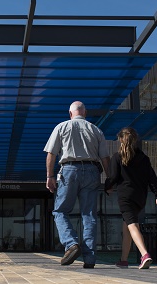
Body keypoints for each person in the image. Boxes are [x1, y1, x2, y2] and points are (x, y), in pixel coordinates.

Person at [44, 101, 110, 269]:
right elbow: (105, 158)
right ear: (85, 113)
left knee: (60, 211)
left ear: (70, 113)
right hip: (92, 171)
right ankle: (89, 258)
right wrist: (110, 178)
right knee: (89, 215)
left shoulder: (61, 127)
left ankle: (71, 243)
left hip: (69, 170)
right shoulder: (96, 130)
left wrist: (50, 176)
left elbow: (51, 153)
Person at [104, 127, 157, 269]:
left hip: (125, 197)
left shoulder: (117, 157)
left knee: (132, 226)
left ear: (121, 140)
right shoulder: (143, 158)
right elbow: (152, 178)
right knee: (127, 227)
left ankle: (144, 254)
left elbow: (112, 177)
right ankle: (123, 260)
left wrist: (107, 187)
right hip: (140, 197)